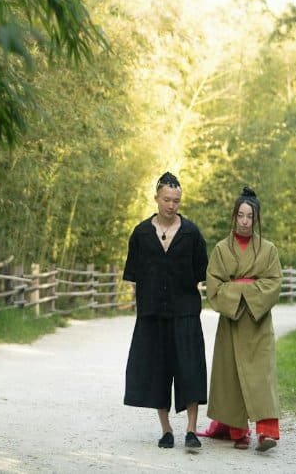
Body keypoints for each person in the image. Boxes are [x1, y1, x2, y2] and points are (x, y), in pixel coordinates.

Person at [123, 172, 209, 449]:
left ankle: (192, 430)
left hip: (185, 312)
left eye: (177, 200)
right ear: (157, 199)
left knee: (190, 370)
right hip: (153, 314)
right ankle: (166, 430)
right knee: (158, 371)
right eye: (167, 200)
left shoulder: (191, 233)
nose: (172, 205)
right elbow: (135, 274)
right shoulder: (141, 234)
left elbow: (200, 271)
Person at [200, 186, 283, 452]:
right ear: (234, 217)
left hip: (258, 323)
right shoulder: (221, 250)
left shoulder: (269, 250)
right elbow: (214, 286)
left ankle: (267, 433)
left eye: (250, 216)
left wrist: (240, 290)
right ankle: (239, 432)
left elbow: (273, 284)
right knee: (232, 376)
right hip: (233, 322)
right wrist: (246, 291)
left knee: (262, 376)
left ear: (256, 219)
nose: (245, 221)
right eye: (241, 215)